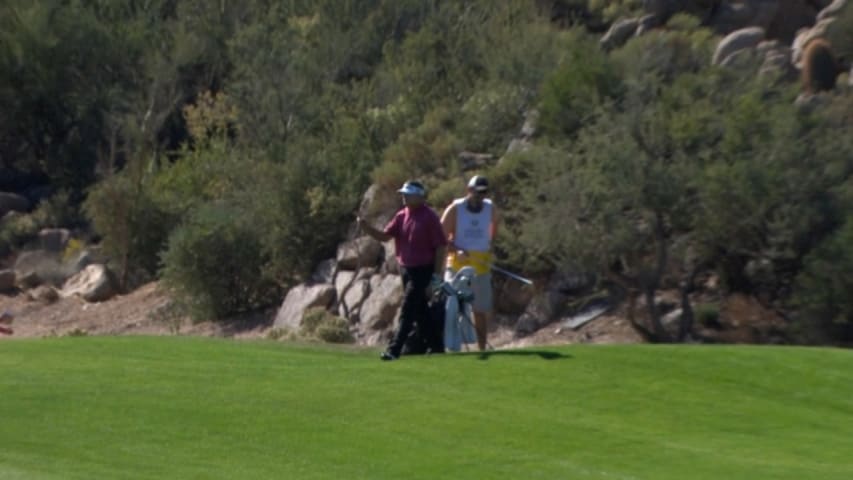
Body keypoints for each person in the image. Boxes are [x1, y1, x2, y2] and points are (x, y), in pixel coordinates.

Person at [357, 180, 448, 361]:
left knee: (407, 309)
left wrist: (436, 275)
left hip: (423, 270)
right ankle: (436, 346)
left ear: (419, 196)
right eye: (403, 194)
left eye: (408, 194)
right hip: (406, 269)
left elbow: (440, 247)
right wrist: (367, 228)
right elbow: (384, 236)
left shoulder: (429, 217)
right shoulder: (401, 216)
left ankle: (394, 349)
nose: (404, 197)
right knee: (421, 312)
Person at [440, 175, 498, 351]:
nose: (480, 196)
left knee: (480, 310)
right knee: (451, 307)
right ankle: (449, 347)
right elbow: (440, 236)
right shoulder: (455, 209)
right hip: (457, 266)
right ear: (469, 190)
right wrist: (455, 248)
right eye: (477, 192)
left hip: (480, 267)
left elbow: (493, 232)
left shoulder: (491, 209)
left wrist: (488, 250)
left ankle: (481, 347)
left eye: (484, 193)